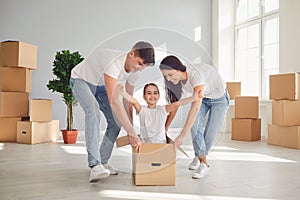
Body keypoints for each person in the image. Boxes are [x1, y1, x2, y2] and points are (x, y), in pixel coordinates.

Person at [70, 41, 155, 182]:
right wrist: (131, 133)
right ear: (131, 53)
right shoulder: (113, 63)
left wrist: (131, 129)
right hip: (81, 80)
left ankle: (103, 161)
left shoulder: (135, 72)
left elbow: (128, 100)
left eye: (143, 67)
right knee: (93, 111)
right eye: (139, 63)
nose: (139, 68)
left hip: (100, 85)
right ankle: (94, 165)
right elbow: (114, 102)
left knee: (116, 123)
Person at [159, 55, 229, 179]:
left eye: (170, 75)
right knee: (195, 126)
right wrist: (165, 127)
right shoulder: (177, 82)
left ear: (178, 69)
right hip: (204, 97)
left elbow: (195, 107)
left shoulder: (195, 75)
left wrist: (181, 136)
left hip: (220, 98)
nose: (168, 79)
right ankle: (202, 160)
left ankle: (201, 159)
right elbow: (174, 105)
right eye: (166, 76)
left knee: (211, 131)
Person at [115, 83, 202, 143]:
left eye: (155, 93)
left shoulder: (162, 109)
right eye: (149, 93)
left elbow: (176, 104)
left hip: (161, 145)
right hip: (145, 145)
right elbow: (134, 102)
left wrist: (194, 98)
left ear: (159, 96)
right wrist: (123, 93)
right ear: (144, 96)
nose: (152, 96)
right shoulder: (142, 110)